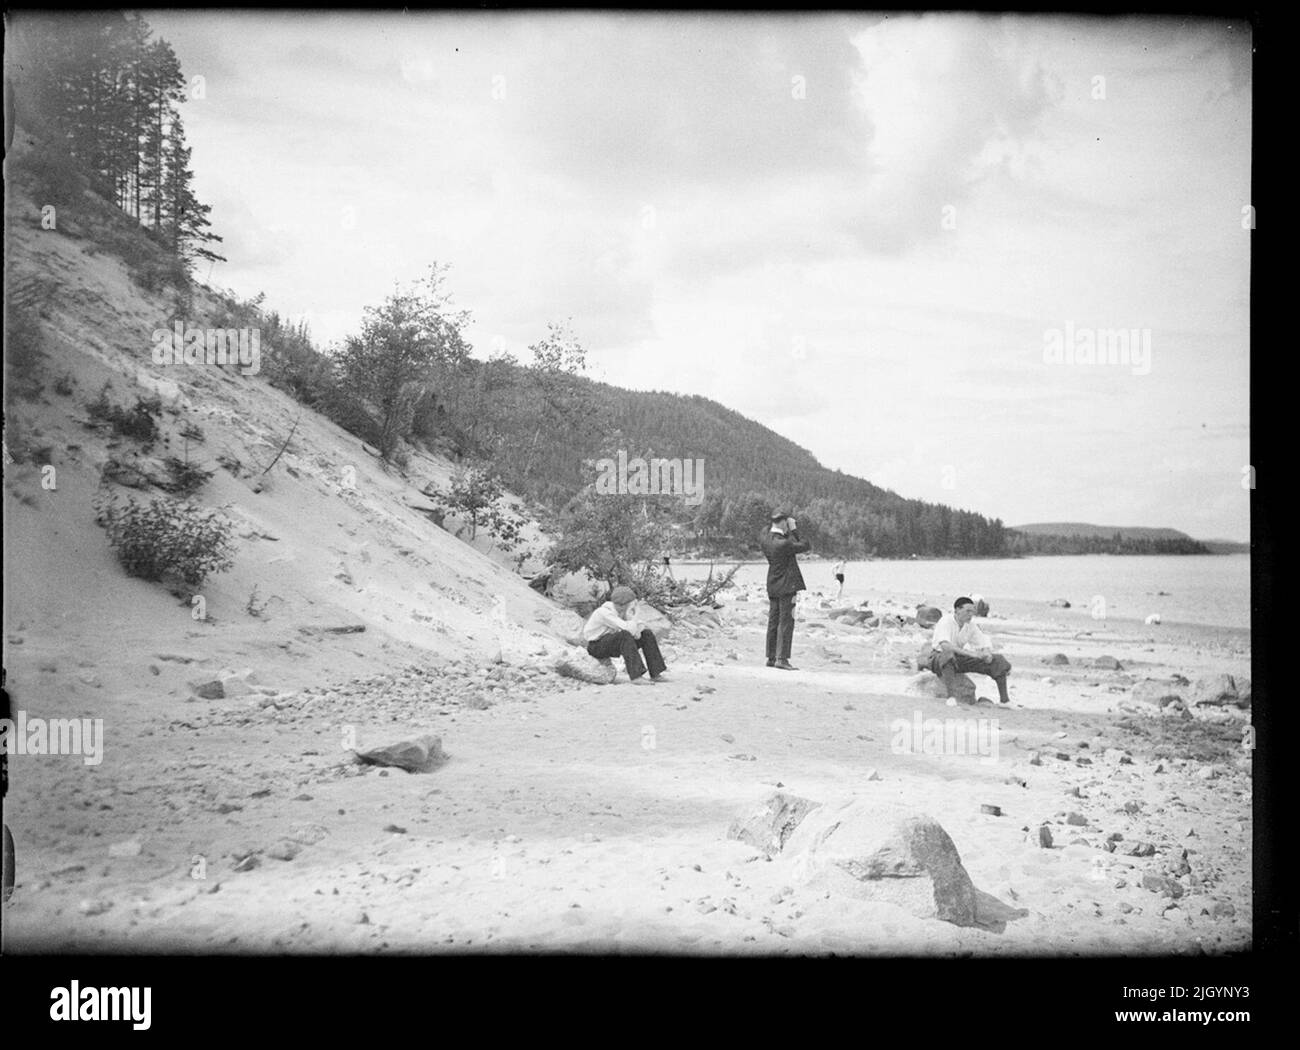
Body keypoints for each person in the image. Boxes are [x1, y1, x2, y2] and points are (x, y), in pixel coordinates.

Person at [925, 596, 1011, 704]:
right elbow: (945, 646)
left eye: (972, 612)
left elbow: (983, 642)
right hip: (938, 658)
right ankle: (951, 697)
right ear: (957, 610)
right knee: (948, 655)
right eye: (968, 611)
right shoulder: (945, 621)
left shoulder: (971, 626)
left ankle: (1005, 700)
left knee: (997, 660)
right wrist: (972, 654)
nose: (970, 615)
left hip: (957, 659)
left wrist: (986, 653)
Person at [582, 585, 668, 685]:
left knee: (646, 634)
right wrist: (637, 613)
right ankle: (636, 676)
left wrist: (634, 620)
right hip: (596, 646)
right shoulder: (604, 613)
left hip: (611, 642)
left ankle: (656, 673)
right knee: (624, 635)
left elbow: (638, 632)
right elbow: (629, 629)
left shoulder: (622, 612)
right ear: (624, 604)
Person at [760, 510, 810, 670]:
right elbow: (806, 545)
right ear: (783, 523)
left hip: (773, 584)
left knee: (773, 621)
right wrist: (794, 529)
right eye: (786, 523)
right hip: (788, 585)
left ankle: (771, 657)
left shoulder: (765, 539)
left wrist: (785, 527)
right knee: (786, 621)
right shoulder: (785, 543)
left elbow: (770, 531)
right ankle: (782, 659)